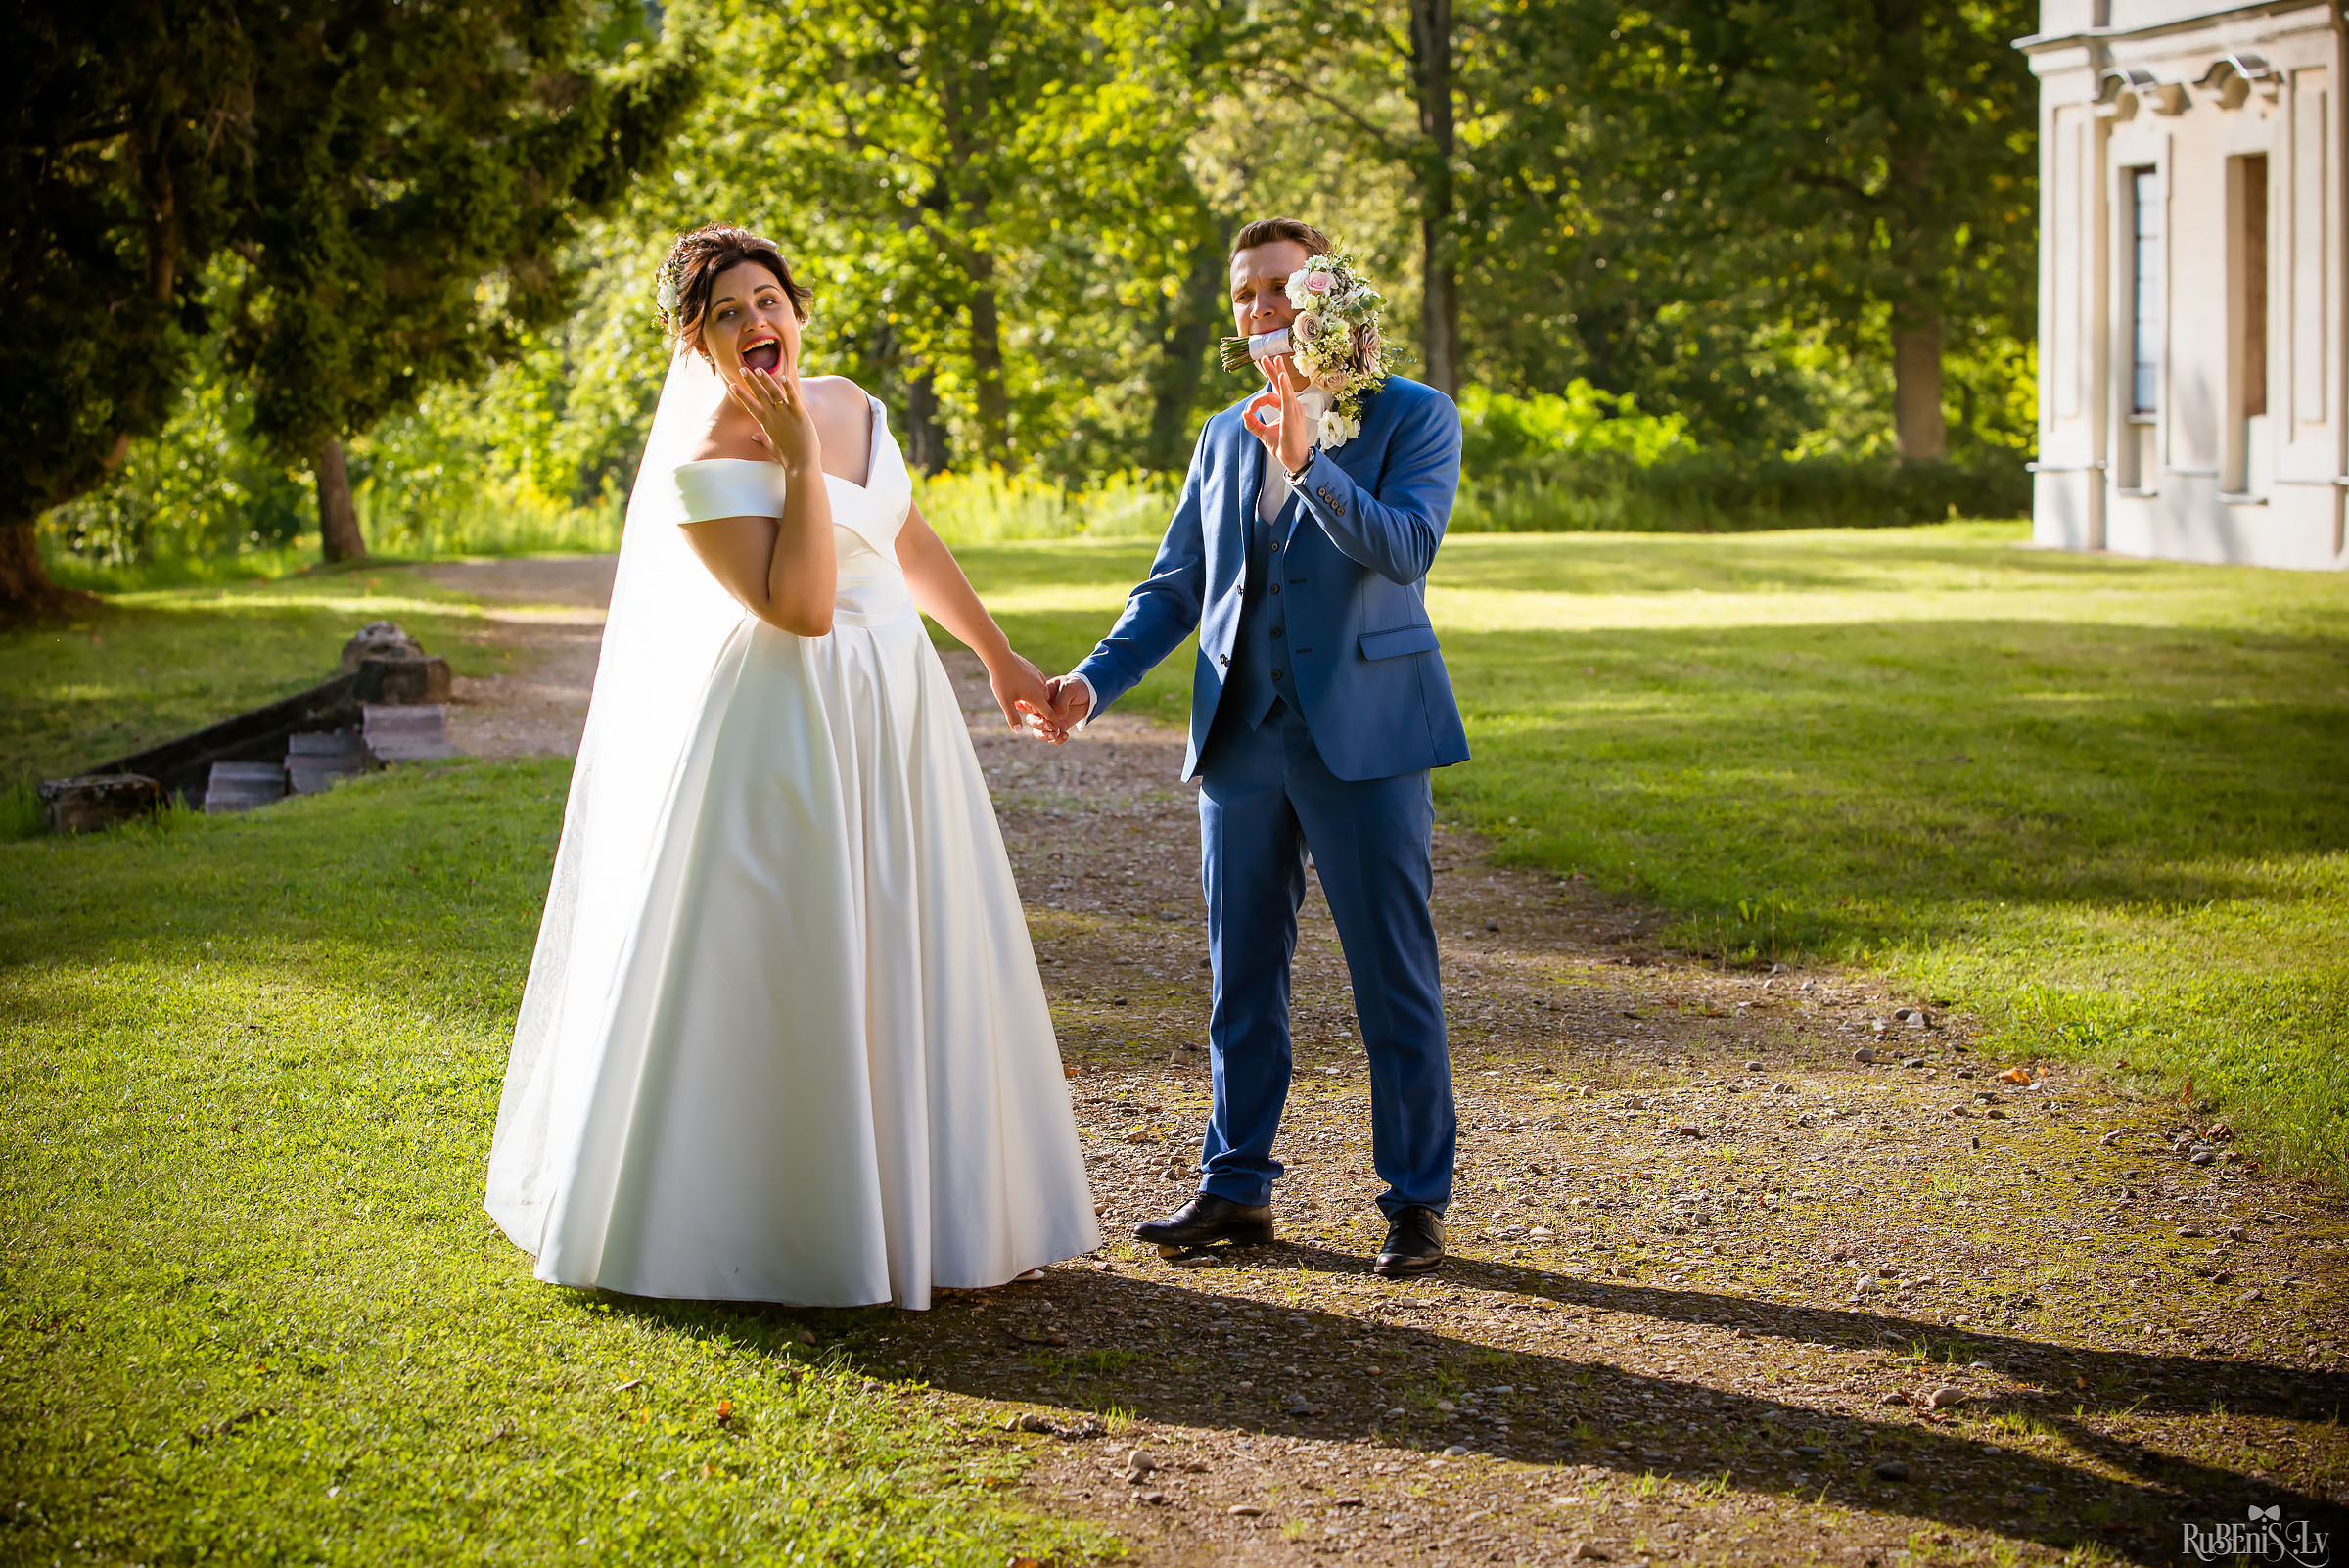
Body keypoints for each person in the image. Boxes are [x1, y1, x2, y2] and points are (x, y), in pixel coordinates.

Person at [484, 224, 1098, 1310]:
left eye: (767, 299)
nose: (754, 321)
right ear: (698, 345)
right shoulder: (703, 466)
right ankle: (778, 1225)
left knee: (907, 931)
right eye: (726, 313)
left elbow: (906, 541)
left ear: (796, 312)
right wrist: (801, 461)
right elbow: (804, 609)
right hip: (790, 725)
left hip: (897, 705)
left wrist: (998, 657)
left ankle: (925, 1212)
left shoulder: (853, 404)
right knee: (798, 954)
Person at [1034, 217, 1468, 1277]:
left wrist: (1309, 461)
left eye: (1281, 286)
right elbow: (1177, 584)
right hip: (1240, 740)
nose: (1262, 306)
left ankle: (1416, 1201)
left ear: (1328, 295)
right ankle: (1236, 1185)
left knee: (1391, 978)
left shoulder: (1415, 415)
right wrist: (1091, 682)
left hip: (1366, 736)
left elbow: (1406, 549)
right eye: (1245, 293)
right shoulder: (1225, 433)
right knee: (1241, 980)